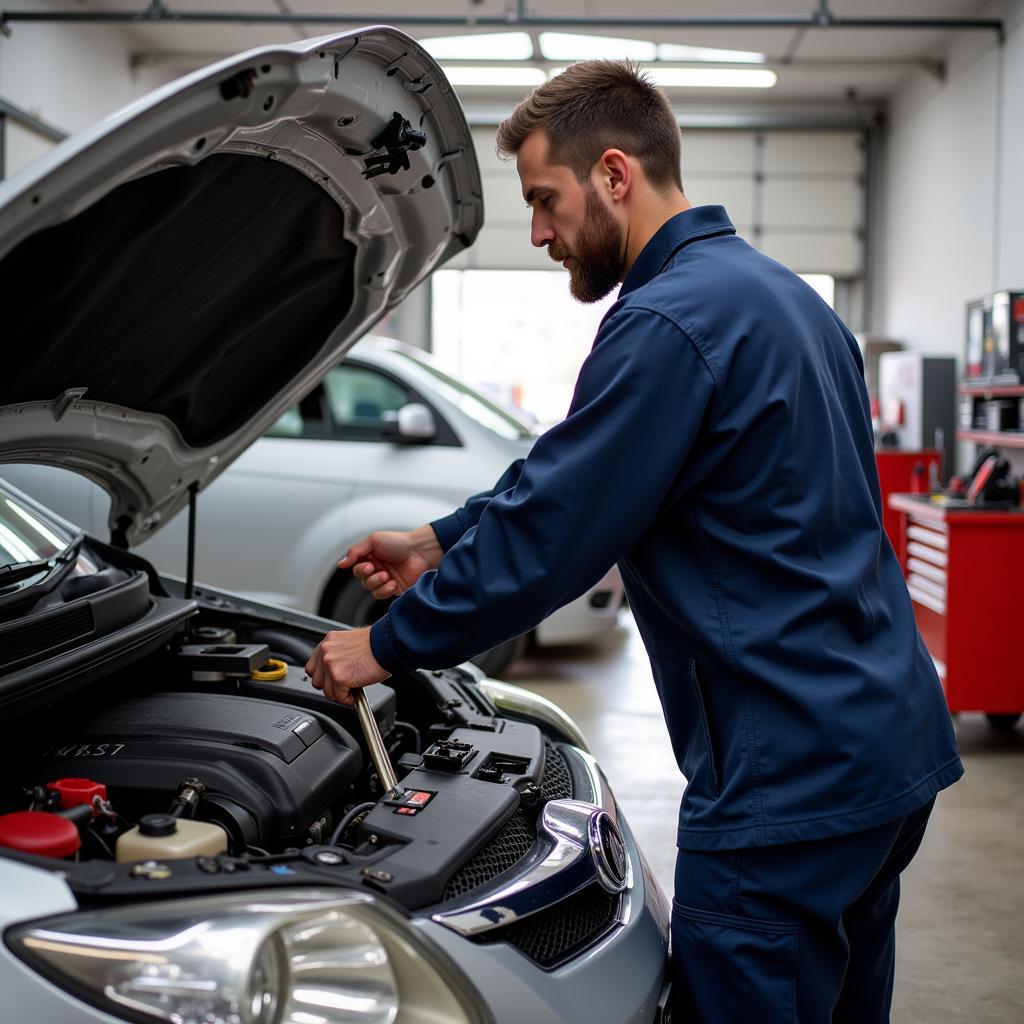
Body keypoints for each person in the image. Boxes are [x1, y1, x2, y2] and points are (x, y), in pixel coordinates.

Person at [306, 61, 963, 1022]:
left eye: (544, 200)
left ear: (614, 174)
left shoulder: (665, 321)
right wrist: (440, 541)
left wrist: (386, 644)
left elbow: (559, 535)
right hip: (884, 741)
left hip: (785, 767)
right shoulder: (783, 300)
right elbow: (574, 474)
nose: (537, 233)